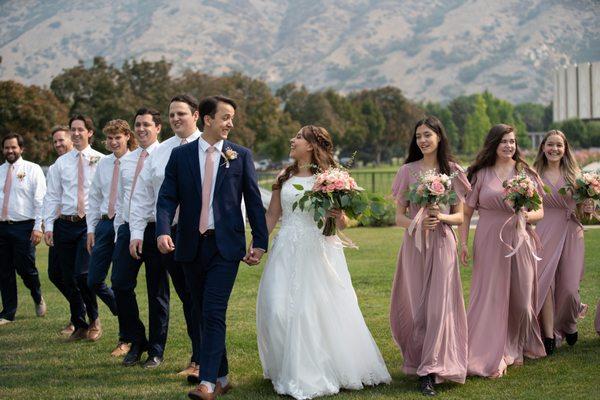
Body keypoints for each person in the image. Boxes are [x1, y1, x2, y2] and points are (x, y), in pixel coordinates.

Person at [256, 125, 390, 400]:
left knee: (312, 311)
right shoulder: (284, 176)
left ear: (311, 145)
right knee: (276, 307)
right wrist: (258, 245)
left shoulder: (330, 178)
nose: (292, 140)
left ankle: (313, 369)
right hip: (286, 248)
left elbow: (343, 223)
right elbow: (272, 215)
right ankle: (284, 367)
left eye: (298, 137)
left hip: (318, 251)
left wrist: (338, 215)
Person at [156, 95, 268, 400]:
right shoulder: (180, 156)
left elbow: (253, 201)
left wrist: (260, 242)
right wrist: (163, 230)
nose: (230, 123)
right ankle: (222, 377)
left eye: (232, 118)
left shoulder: (240, 155)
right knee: (201, 311)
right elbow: (167, 197)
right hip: (190, 246)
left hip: (226, 247)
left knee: (213, 311)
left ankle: (206, 382)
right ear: (207, 119)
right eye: (225, 117)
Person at [459, 124, 546, 378]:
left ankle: (516, 344)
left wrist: (525, 215)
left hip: (520, 238)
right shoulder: (480, 174)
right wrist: (463, 243)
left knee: (522, 297)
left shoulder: (526, 173)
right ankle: (497, 350)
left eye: (512, 141)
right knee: (490, 296)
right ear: (494, 144)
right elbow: (466, 213)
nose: (509, 145)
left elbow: (540, 211)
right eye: (504, 141)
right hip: (489, 238)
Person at [390, 117, 469, 396]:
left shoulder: (454, 171)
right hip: (414, 245)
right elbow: (398, 217)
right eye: (418, 136)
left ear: (439, 137)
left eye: (427, 135)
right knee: (417, 306)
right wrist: (418, 222)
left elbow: (460, 216)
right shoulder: (407, 171)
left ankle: (430, 369)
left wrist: (441, 217)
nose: (422, 140)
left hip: (443, 243)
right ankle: (419, 360)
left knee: (439, 307)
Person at [129, 94, 201, 371]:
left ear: (196, 115)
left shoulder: (209, 147)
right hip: (169, 234)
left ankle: (201, 359)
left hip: (200, 233)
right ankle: (198, 357)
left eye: (181, 113)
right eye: (172, 114)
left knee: (199, 298)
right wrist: (137, 232)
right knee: (186, 297)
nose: (175, 119)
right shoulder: (161, 152)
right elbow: (144, 195)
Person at [43, 115, 105, 341]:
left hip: (88, 224)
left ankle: (94, 319)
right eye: (73, 129)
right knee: (67, 277)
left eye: (81, 129)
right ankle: (79, 324)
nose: (76, 133)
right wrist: (49, 225)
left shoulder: (102, 160)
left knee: (82, 275)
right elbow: (52, 196)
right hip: (65, 224)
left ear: (90, 132)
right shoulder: (60, 164)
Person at [111, 108, 165, 367]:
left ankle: (156, 350)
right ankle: (137, 339)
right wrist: (120, 231)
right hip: (128, 228)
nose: (141, 129)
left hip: (156, 229)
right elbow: (123, 199)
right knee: (120, 284)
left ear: (158, 128)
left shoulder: (166, 155)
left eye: (146, 124)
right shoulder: (127, 160)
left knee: (157, 292)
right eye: (138, 124)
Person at [533, 130, 593, 353]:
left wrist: (589, 207)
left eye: (559, 145)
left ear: (565, 149)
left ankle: (569, 322)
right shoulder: (534, 174)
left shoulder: (576, 176)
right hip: (544, 230)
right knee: (546, 283)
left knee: (569, 287)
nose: (554, 149)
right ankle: (550, 335)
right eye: (550, 144)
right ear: (543, 147)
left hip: (571, 231)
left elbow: (586, 213)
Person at [86, 120, 136, 354]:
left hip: (125, 225)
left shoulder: (135, 161)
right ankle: (121, 309)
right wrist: (91, 229)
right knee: (93, 280)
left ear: (127, 136)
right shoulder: (103, 164)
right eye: (110, 138)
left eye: (118, 137)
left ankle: (125, 339)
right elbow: (94, 197)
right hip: (105, 225)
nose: (113, 142)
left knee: (119, 282)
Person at [0, 133, 47, 325]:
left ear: (21, 149)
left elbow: (40, 200)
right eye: (7, 147)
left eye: (13, 147)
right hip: (2, 227)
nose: (10, 150)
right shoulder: (0, 171)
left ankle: (37, 295)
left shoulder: (33, 169)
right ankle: (8, 312)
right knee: (4, 271)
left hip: (24, 227)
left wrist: (38, 227)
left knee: (26, 269)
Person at [46, 126, 75, 336]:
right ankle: (79, 310)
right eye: (55, 141)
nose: (58, 145)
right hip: (60, 225)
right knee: (55, 273)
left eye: (61, 140)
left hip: (80, 226)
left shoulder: (88, 161)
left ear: (71, 139)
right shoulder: (56, 166)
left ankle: (78, 319)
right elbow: (51, 197)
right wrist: (48, 225)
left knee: (75, 275)